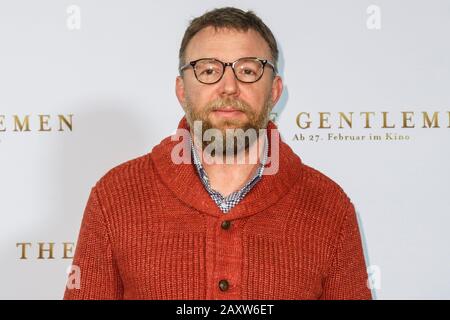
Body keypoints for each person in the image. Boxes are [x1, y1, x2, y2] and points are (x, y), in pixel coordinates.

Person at [64, 7, 372, 300]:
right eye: (209, 70)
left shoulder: (330, 208)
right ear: (182, 90)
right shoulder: (115, 196)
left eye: (248, 70)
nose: (229, 86)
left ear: (275, 91)